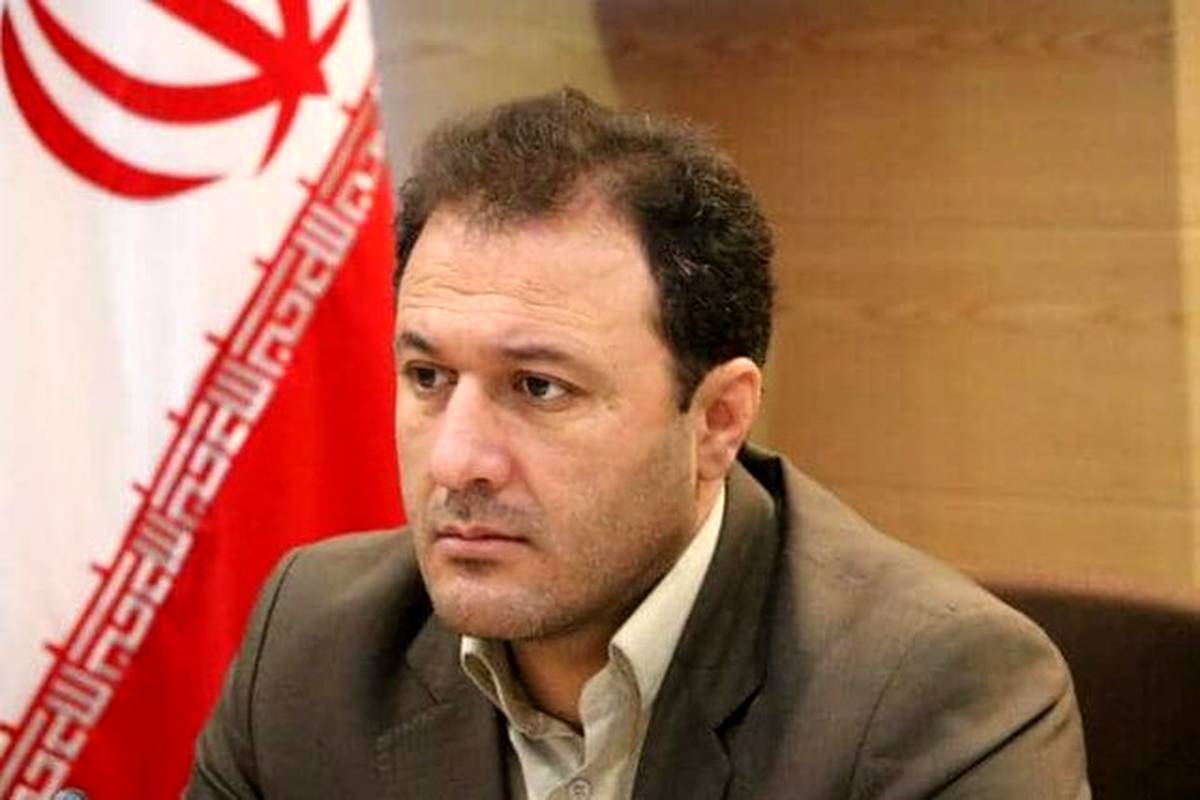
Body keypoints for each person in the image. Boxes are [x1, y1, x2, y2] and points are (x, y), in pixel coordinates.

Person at [188, 88, 1089, 799]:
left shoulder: (932, 695)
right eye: (428, 377)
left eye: (538, 388)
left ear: (719, 420)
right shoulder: (315, 641)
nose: (457, 461)